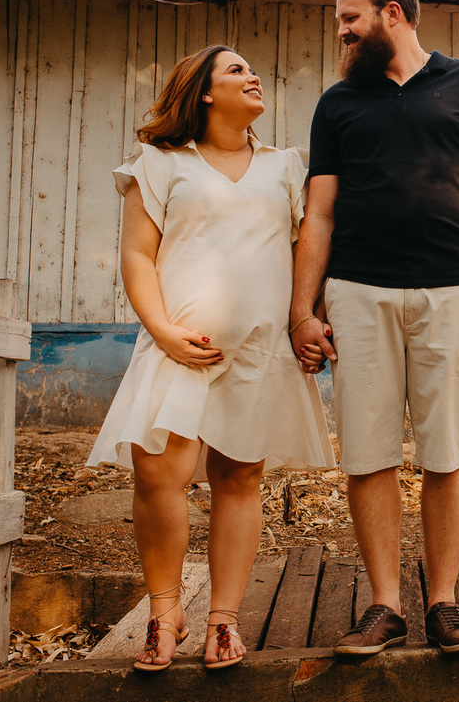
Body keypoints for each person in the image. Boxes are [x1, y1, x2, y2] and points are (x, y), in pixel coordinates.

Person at [290, 0, 459, 655]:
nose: (342, 31)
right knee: (367, 455)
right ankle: (385, 606)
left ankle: (445, 605)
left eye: (350, 18)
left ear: (392, 13)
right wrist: (303, 309)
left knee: (447, 451)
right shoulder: (338, 104)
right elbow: (319, 212)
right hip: (356, 293)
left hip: (451, 290)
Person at [87, 45, 336, 671]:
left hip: (259, 353)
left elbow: (309, 251)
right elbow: (137, 255)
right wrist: (162, 330)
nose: (254, 76)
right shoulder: (159, 163)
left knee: (239, 478)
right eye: (236, 70)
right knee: (158, 476)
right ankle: (164, 610)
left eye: (252, 69)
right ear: (203, 91)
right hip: (177, 347)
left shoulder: (285, 167)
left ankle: (223, 620)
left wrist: (308, 317)